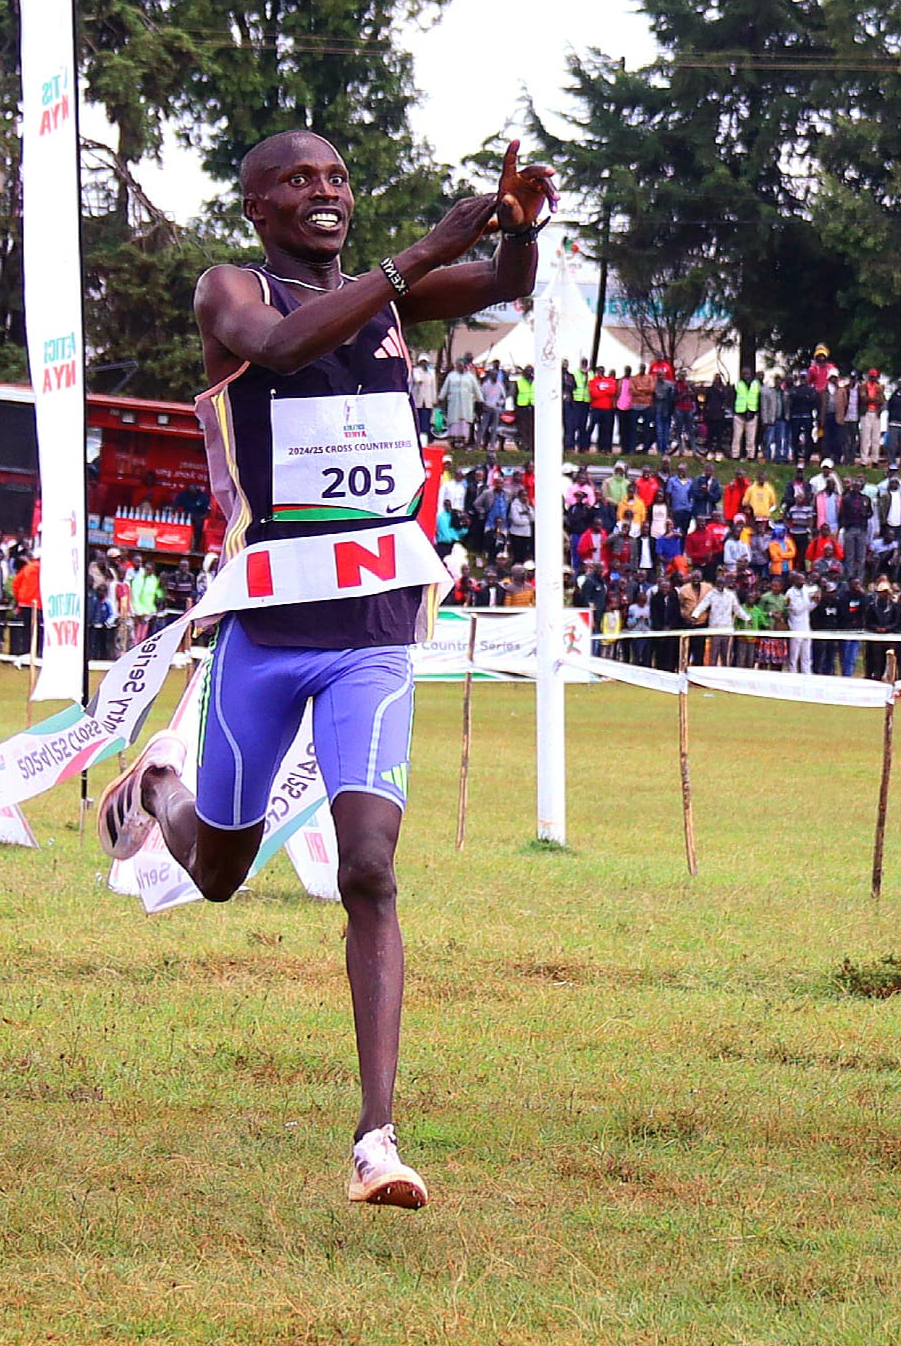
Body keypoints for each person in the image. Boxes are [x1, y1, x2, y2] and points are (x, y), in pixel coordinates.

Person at [95, 127, 556, 1209]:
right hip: (263, 631)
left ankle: (376, 1137)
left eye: (337, 177)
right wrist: (420, 251)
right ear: (256, 204)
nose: (324, 191)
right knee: (218, 873)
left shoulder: (390, 297)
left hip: (373, 630)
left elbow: (503, 284)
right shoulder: (228, 290)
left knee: (370, 868)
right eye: (297, 179)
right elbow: (288, 345)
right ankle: (162, 791)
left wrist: (522, 230)